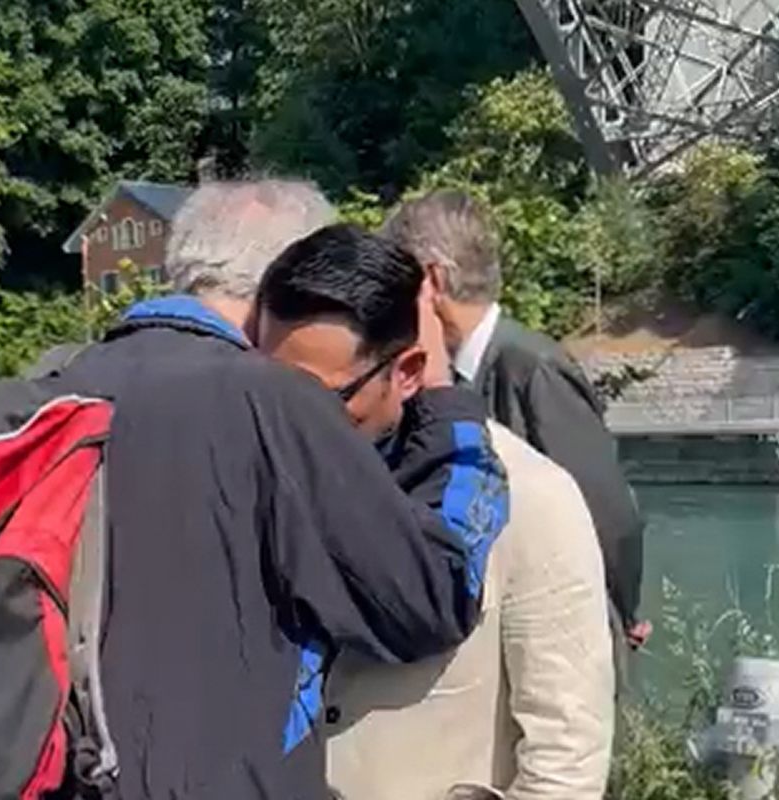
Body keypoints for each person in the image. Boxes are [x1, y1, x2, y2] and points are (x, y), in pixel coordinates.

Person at [51, 181, 509, 800]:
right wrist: (444, 401)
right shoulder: (274, 406)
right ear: (283, 285)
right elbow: (432, 594)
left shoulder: (30, 398)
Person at [255, 224, 614, 800]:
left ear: (408, 371)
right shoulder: (258, 473)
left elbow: (566, 758)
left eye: (318, 401)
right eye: (267, 391)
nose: (288, 423)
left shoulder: (532, 499)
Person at [384, 189, 651, 658]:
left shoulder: (531, 368)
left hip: (566, 644)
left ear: (432, 282)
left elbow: (608, 515)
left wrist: (620, 615)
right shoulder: (463, 372)